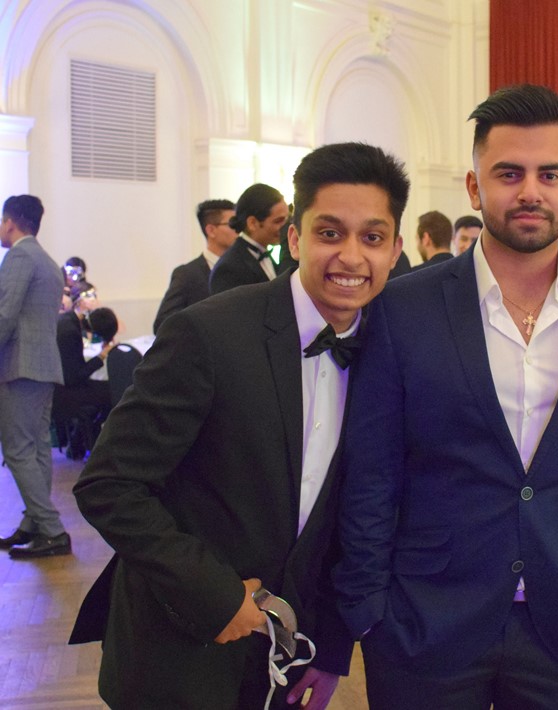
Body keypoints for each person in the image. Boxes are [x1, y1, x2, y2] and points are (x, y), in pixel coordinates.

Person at [334, 84, 558, 710]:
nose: (530, 192)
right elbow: (372, 469)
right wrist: (367, 607)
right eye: (509, 173)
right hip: (424, 621)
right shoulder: (404, 305)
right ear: (474, 186)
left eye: (551, 174)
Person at [71, 142, 409, 709]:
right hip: (178, 651)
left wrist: (330, 648)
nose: (351, 256)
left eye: (372, 237)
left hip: (289, 658)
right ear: (294, 239)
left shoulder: (389, 353)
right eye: (329, 233)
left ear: (395, 250)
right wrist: (215, 595)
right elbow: (109, 484)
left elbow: (349, 519)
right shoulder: (209, 333)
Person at [0, 195, 72, 559]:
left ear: (10, 222)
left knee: (17, 450)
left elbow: (4, 314)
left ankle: (52, 529)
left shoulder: (19, 256)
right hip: (44, 366)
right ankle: (33, 523)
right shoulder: (47, 260)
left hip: (20, 366)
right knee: (38, 449)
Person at [152, 199, 237, 333]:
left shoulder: (242, 269)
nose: (238, 230)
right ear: (211, 230)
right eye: (232, 224)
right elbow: (163, 323)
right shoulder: (187, 274)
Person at [53, 302, 118, 460]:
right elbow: (75, 376)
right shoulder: (70, 333)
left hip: (61, 388)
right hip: (63, 394)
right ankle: (93, 443)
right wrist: (101, 356)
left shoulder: (67, 320)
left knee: (106, 391)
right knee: (113, 393)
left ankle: (78, 443)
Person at [209, 183, 289, 295]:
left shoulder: (264, 254)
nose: (286, 227)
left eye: (287, 220)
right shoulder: (228, 268)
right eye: (278, 221)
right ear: (252, 223)